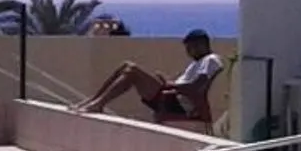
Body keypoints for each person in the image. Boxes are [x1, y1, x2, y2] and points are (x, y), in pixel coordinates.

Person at [76, 29, 224, 122]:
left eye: (190, 48)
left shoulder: (211, 60)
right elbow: (188, 84)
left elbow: (197, 87)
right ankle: (94, 101)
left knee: (132, 70)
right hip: (171, 97)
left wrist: (170, 85)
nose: (188, 52)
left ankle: (98, 104)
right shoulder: (198, 62)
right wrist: (168, 81)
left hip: (176, 104)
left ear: (201, 45)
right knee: (126, 66)